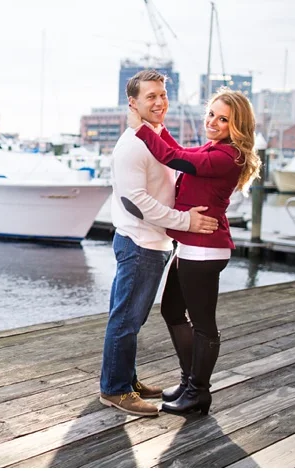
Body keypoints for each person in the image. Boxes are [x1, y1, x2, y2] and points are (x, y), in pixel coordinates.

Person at [127, 87, 261, 415]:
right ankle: (189, 383)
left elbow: (175, 158)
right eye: (211, 114)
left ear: (237, 125)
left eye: (223, 119)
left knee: (203, 326)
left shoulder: (228, 156)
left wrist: (141, 128)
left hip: (205, 252)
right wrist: (157, 127)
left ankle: (199, 392)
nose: (213, 122)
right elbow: (179, 150)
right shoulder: (214, 148)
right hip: (190, 246)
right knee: (172, 311)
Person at [99, 70, 219, 417]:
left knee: (129, 319)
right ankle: (115, 390)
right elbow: (134, 201)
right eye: (150, 96)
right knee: (126, 320)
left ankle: (125, 379)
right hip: (140, 245)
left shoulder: (153, 136)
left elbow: (179, 159)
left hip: (153, 243)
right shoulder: (133, 145)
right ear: (132, 103)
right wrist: (186, 221)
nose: (159, 102)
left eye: (162, 95)